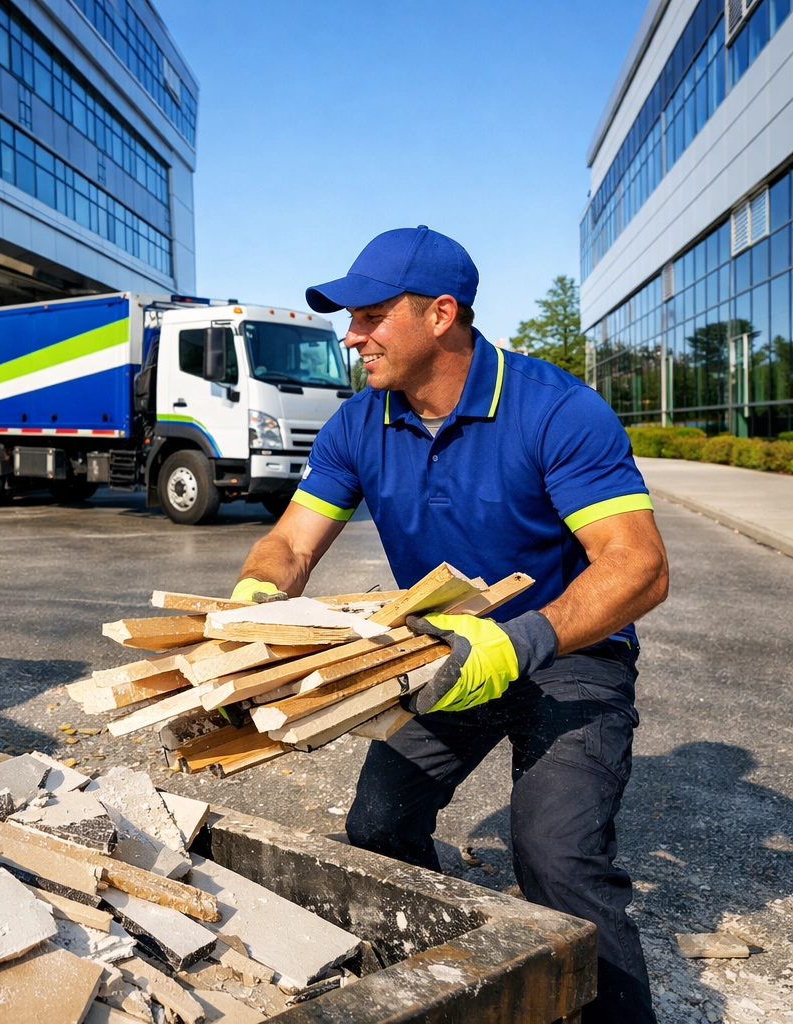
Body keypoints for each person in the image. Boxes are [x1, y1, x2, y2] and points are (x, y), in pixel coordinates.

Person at [231, 226, 667, 1023]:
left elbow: (637, 564)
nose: (351, 335)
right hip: (448, 651)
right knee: (377, 828)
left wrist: (521, 641)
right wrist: (257, 599)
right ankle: (458, 975)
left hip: (569, 653)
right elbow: (290, 543)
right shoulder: (359, 423)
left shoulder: (556, 409)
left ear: (440, 315)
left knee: (557, 860)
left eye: (370, 315)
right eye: (350, 318)